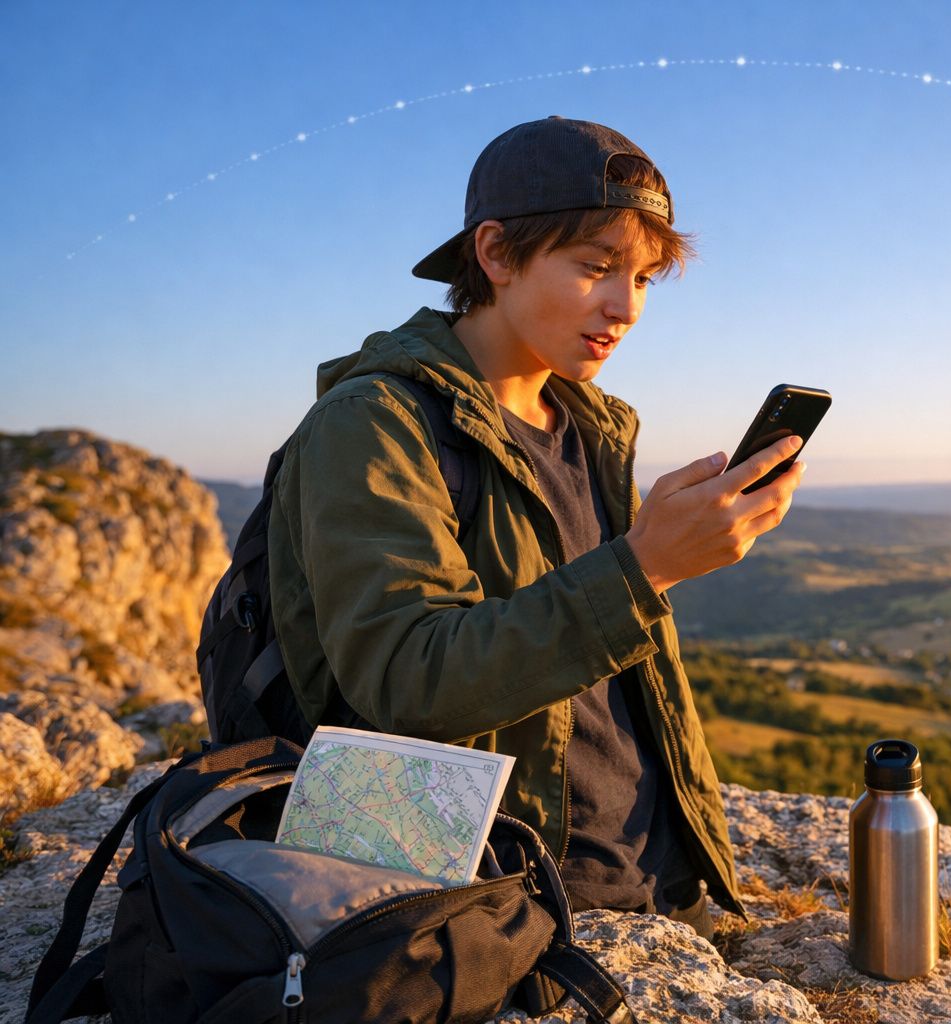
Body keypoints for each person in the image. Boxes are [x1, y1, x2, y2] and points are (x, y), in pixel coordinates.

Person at [265, 116, 805, 937]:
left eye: (648, 278)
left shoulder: (587, 424)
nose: (627, 306)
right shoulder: (374, 424)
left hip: (652, 888)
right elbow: (409, 682)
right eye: (596, 267)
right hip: (499, 905)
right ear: (495, 253)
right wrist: (647, 568)